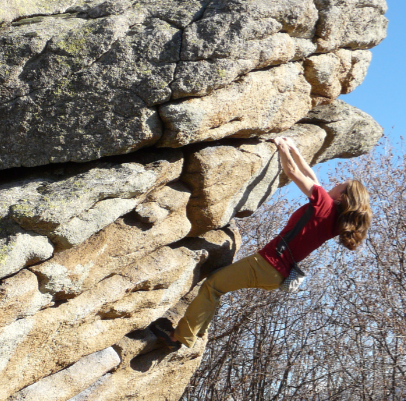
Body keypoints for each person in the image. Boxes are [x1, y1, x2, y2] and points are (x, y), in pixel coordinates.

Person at [149, 136, 372, 351]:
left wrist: (281, 146)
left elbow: (293, 172)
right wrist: (293, 148)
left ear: (342, 197)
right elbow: (312, 177)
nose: (333, 185)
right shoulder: (335, 221)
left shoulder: (324, 203)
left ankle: (179, 337)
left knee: (213, 285)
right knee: (218, 287)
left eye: (339, 185)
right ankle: (194, 332)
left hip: (266, 263)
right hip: (277, 274)